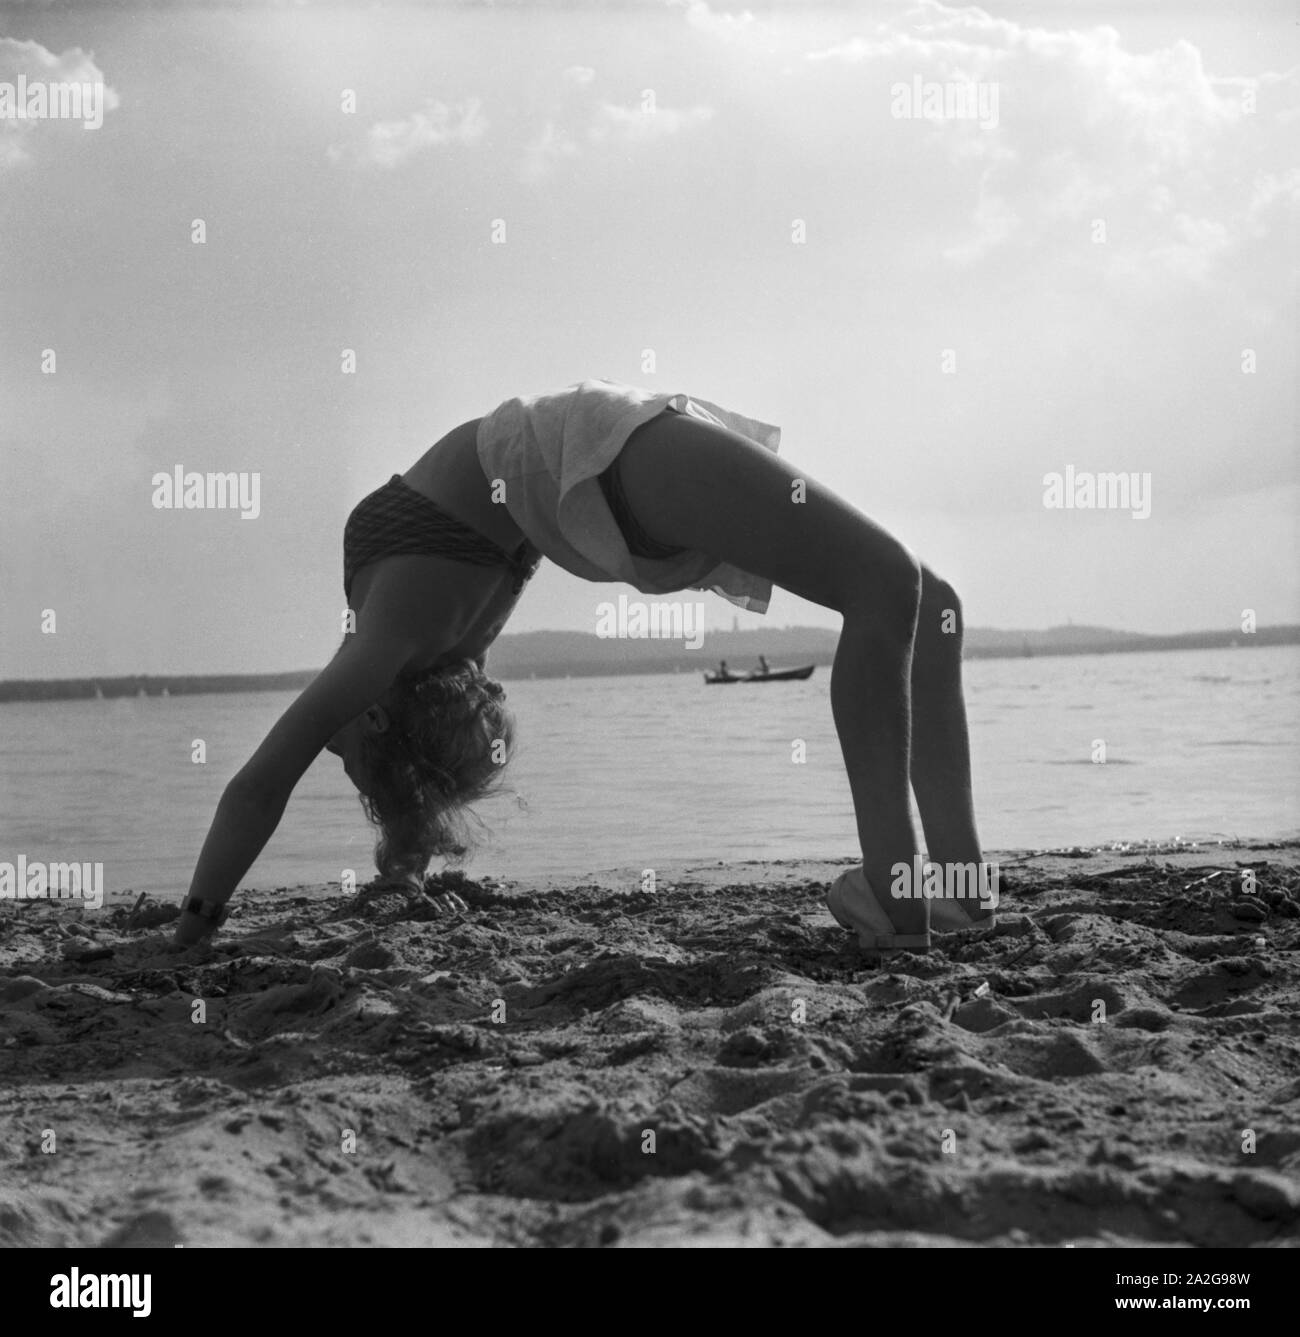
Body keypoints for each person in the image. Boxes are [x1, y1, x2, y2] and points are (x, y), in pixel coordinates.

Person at [174, 378, 994, 952]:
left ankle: (958, 888)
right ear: (382, 713)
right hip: (607, 462)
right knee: (884, 584)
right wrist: (198, 920)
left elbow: (389, 792)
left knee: (931, 599)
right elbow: (258, 784)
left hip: (605, 474)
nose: (328, 737)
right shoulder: (391, 640)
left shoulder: (442, 640)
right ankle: (898, 894)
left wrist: (403, 866)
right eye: (344, 750)